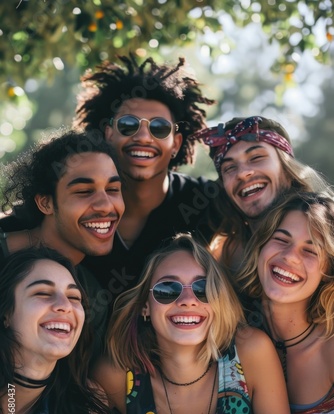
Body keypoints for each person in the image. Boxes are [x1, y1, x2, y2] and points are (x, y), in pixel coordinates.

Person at [94, 233, 332, 414]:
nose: (187, 300)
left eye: (203, 289)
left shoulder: (251, 353)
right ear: (144, 308)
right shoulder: (116, 376)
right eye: (166, 290)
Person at [74, 53, 220, 306]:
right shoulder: (75, 197)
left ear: (176, 143)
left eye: (159, 128)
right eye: (129, 125)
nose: (143, 137)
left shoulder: (209, 202)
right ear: (108, 134)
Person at [0, 247, 118, 414]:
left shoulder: (86, 400)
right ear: (6, 314)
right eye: (43, 293)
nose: (65, 306)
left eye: (74, 298)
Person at [0, 129, 125, 361]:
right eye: (84, 191)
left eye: (113, 190)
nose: (106, 206)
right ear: (45, 203)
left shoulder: (91, 296)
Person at [236, 191, 334, 414]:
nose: (290, 257)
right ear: (261, 245)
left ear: (328, 270)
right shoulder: (240, 337)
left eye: (311, 250)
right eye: (281, 239)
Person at [195, 115, 332, 271]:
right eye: (229, 168)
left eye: (257, 157)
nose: (242, 173)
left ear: (287, 169)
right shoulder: (221, 258)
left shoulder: (328, 232)